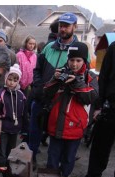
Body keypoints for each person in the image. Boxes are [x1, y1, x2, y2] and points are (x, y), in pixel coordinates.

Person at [43, 42, 98, 177]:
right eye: (71, 60)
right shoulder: (60, 72)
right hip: (56, 124)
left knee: (68, 158)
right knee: (53, 157)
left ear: (85, 60)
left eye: (78, 60)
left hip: (75, 128)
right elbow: (46, 92)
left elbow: (92, 97)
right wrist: (55, 79)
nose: (74, 64)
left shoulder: (89, 77)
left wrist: (76, 82)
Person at [75, 31, 115, 177]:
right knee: (100, 144)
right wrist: (98, 105)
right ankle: (93, 176)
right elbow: (103, 77)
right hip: (110, 106)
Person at [29, 12, 80, 169]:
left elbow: (82, 74)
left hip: (61, 101)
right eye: (61, 25)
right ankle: (31, 159)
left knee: (57, 136)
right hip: (42, 97)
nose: (63, 29)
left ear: (75, 27)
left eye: (66, 26)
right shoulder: (48, 47)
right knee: (34, 131)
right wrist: (38, 86)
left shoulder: (79, 49)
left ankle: (53, 168)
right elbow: (37, 70)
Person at [0, 64, 28, 177]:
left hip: (15, 129)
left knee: (11, 151)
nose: (12, 82)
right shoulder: (0, 94)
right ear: (6, 78)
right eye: (10, 79)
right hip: (3, 128)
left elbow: (24, 113)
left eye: (15, 80)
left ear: (18, 81)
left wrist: (24, 129)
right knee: (2, 152)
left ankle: (8, 172)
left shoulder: (21, 95)